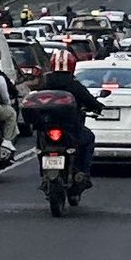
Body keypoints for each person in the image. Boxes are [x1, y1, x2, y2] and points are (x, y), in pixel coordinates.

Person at [36, 49, 105, 186]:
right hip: (70, 128)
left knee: (40, 144)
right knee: (89, 139)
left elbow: (36, 98)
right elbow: (89, 101)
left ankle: (43, 173)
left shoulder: (45, 83)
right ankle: (83, 172)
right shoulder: (74, 84)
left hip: (47, 126)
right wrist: (98, 107)